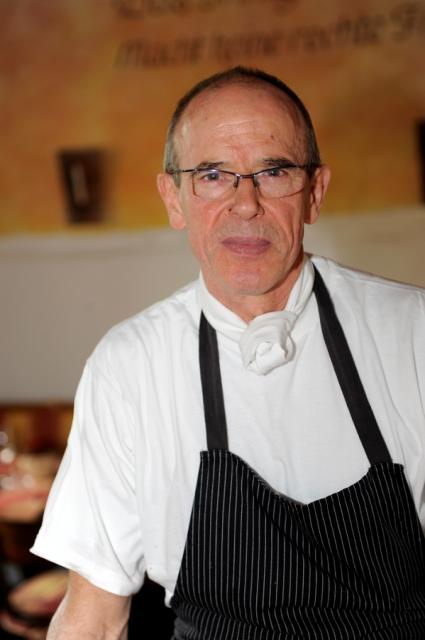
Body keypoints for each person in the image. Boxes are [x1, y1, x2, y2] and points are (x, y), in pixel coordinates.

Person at [32, 67, 425, 639]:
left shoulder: (413, 331)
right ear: (174, 199)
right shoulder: (131, 365)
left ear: (314, 193)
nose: (246, 204)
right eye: (213, 175)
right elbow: (93, 617)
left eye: (274, 171)